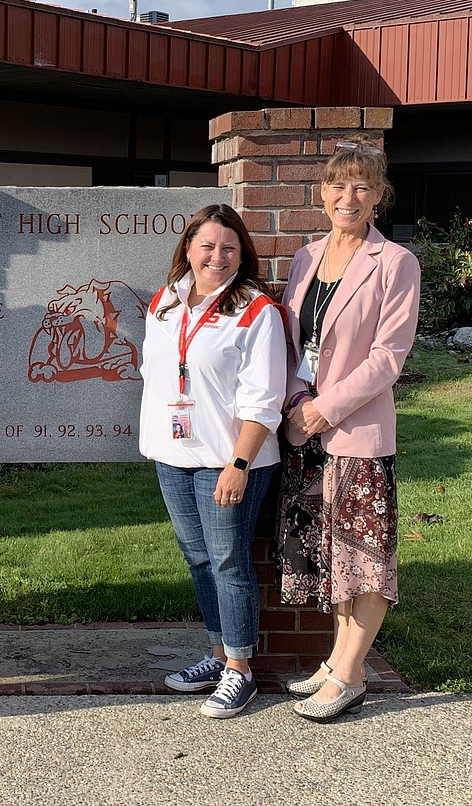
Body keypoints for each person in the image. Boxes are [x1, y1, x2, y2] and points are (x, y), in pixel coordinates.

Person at [277, 136, 420, 723]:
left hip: (354, 431)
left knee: (363, 556)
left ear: (379, 195)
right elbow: (290, 341)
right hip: (304, 430)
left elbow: (388, 358)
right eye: (339, 184)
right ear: (321, 194)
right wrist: (293, 401)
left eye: (363, 185)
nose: (349, 195)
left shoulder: (395, 263)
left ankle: (350, 671)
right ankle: (338, 663)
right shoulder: (306, 258)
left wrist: (321, 409)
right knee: (330, 556)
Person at [139, 204, 287, 720]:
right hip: (173, 456)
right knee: (199, 559)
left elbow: (265, 398)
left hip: (229, 460)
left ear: (241, 253)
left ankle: (241, 670)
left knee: (228, 561)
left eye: (229, 247)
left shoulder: (255, 311)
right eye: (207, 245)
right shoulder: (164, 303)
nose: (217, 257)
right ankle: (219, 655)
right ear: (187, 248)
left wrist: (239, 464)